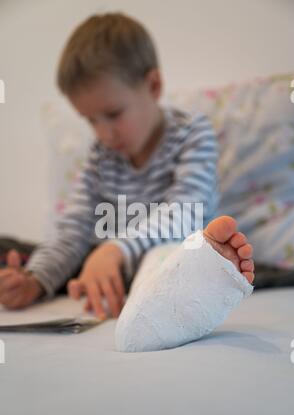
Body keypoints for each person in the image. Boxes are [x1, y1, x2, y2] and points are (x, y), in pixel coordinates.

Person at [0, 12, 254, 321]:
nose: (104, 133)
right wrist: (36, 280)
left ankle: (197, 283)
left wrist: (115, 249)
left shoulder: (192, 134)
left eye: (113, 113)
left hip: (173, 259)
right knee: (20, 251)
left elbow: (186, 212)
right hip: (117, 266)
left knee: (190, 253)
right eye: (91, 120)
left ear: (154, 85)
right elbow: (73, 230)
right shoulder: (100, 157)